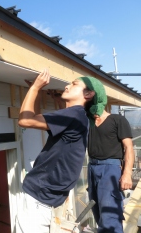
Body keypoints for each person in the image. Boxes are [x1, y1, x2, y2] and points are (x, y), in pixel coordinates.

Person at [17, 69, 102, 232]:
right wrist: (36, 91)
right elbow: (36, 118)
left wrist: (35, 88)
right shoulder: (78, 117)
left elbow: (25, 120)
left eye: (74, 84)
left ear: (88, 94)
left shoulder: (73, 115)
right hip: (46, 198)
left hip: (39, 197)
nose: (67, 85)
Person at [84, 75, 134, 232]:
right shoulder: (88, 121)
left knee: (110, 215)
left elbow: (129, 148)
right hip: (92, 167)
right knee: (97, 211)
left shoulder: (117, 120)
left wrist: (126, 174)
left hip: (110, 168)